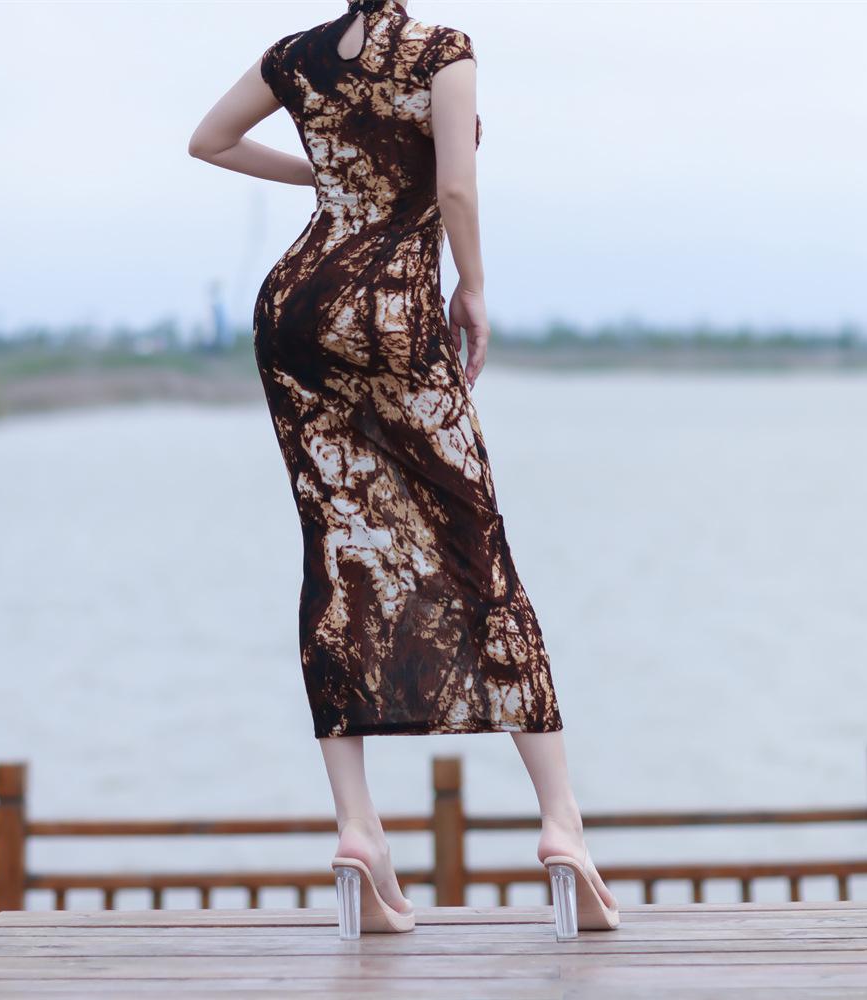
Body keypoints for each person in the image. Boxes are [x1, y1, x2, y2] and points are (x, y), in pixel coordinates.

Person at [188, 0, 619, 938]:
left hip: (295, 306)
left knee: (338, 546)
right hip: (391, 308)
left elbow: (208, 141)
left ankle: (359, 831)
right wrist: (474, 288)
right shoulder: (441, 52)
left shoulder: (293, 56)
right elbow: (454, 189)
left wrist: (323, 175)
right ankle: (561, 824)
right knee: (477, 548)